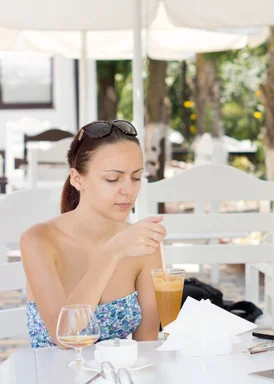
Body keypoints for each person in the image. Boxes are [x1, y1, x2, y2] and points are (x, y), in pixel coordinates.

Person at [21, 120, 167, 348]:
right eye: (112, 179)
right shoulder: (38, 240)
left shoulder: (143, 242)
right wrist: (112, 253)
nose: (128, 190)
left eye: (136, 177)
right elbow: (66, 337)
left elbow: (147, 346)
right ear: (77, 179)